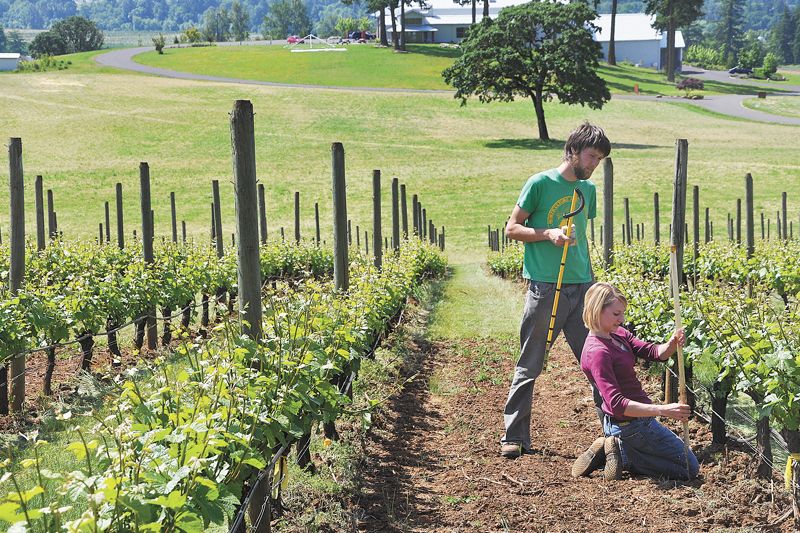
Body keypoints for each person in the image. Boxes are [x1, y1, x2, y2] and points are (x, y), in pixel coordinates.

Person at [500, 122, 610, 459]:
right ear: (574, 151)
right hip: (547, 286)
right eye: (592, 156)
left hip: (582, 286)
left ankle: (615, 435)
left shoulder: (587, 191)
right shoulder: (539, 183)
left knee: (597, 363)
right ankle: (514, 436)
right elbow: (512, 228)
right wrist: (547, 233)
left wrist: (593, 282)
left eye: (600, 160)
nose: (594, 165)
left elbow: (582, 239)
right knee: (530, 362)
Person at [573, 282, 700, 481]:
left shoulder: (617, 334)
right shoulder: (597, 353)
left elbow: (653, 352)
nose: (622, 319)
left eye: (622, 313)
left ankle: (617, 448)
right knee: (688, 468)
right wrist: (662, 410)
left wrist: (672, 343)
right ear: (597, 310)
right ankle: (623, 455)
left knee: (682, 461)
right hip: (630, 426)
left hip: (636, 423)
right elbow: (617, 405)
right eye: (616, 314)